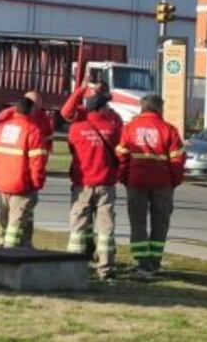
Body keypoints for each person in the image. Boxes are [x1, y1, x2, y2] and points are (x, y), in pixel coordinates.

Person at [116, 94, 185, 277]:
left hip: (136, 183)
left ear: (142, 107)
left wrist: (125, 178)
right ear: (159, 108)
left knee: (137, 222)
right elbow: (177, 161)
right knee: (160, 223)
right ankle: (154, 262)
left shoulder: (129, 128)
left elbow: (121, 157)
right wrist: (173, 183)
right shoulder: (169, 130)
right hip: (163, 184)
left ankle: (142, 262)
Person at [67, 93, 122, 279]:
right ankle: (105, 268)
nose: (108, 109)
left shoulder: (76, 129)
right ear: (100, 108)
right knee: (105, 228)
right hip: (105, 184)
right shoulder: (112, 129)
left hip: (82, 185)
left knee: (78, 227)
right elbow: (119, 154)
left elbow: (73, 151)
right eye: (106, 106)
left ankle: (73, 266)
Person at [0, 97, 48, 248]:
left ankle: (4, 245)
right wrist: (37, 183)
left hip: (1, 182)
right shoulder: (33, 130)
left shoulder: (1, 129)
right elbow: (37, 162)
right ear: (31, 110)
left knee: (5, 219)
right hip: (21, 184)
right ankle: (10, 251)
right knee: (16, 222)